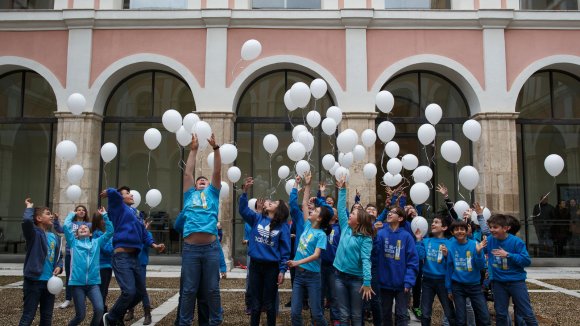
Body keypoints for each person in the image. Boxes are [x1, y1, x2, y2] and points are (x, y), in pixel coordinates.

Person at [100, 186, 165, 326]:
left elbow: (143, 233)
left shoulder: (136, 213)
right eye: (128, 193)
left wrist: (154, 245)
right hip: (121, 256)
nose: (132, 195)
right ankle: (110, 318)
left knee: (140, 293)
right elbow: (114, 196)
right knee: (129, 292)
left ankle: (117, 317)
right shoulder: (118, 208)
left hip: (135, 257)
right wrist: (110, 191)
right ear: (120, 198)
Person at [178, 133, 223, 326]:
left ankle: (215, 322)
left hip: (210, 249)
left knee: (212, 290)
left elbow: (217, 173)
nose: (202, 181)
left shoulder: (213, 193)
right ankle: (184, 323)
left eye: (205, 180)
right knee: (188, 290)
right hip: (191, 250)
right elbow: (188, 173)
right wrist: (193, 150)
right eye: (199, 180)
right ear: (195, 185)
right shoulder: (189, 196)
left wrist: (216, 149)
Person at [239, 176, 291, 326]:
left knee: (269, 304)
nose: (270, 202)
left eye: (274, 203)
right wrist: (244, 192)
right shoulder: (257, 219)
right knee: (255, 305)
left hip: (271, 269)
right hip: (255, 266)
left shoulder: (283, 227)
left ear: (279, 210)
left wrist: (282, 270)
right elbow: (243, 210)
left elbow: (285, 251)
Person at [477, 211, 539, 326]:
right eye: (490, 227)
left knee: (526, 313)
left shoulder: (516, 242)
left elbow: (526, 261)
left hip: (516, 282)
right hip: (498, 283)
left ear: (505, 228)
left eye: (495, 227)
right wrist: (478, 250)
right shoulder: (490, 240)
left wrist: (508, 255)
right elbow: (480, 257)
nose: (491, 230)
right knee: (500, 314)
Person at [288, 171, 332, 326]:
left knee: (317, 314)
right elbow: (305, 202)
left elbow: (316, 255)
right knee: (294, 313)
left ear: (319, 218)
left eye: (316, 211)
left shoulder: (320, 235)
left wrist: (296, 262)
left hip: (313, 276)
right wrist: (307, 184)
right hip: (299, 276)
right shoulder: (307, 224)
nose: (311, 210)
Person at [333, 176, 374, 325]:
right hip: (339, 276)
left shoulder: (366, 238)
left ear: (360, 220)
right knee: (343, 315)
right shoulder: (345, 227)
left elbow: (366, 260)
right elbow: (340, 209)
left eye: (353, 214)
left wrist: (367, 281)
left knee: (356, 315)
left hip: (356, 280)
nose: (350, 214)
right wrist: (342, 189)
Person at [64, 206, 113, 326]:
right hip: (77, 284)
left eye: (85, 227)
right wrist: (72, 214)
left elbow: (110, 231)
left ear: (90, 232)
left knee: (100, 309)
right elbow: (66, 226)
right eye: (80, 228)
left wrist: (105, 216)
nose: (83, 228)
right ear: (76, 234)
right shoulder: (73, 243)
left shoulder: (96, 243)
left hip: (93, 284)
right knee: (80, 316)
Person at [19, 198, 64, 326]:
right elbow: (27, 221)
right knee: (28, 316)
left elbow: (59, 257)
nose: (51, 216)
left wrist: (59, 267)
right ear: (38, 218)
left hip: (50, 283)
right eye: (47, 213)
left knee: (46, 318)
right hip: (34, 281)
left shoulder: (55, 237)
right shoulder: (34, 234)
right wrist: (29, 207)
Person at [375, 206, 419, 326]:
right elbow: (373, 254)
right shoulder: (380, 233)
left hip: (402, 284)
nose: (389, 214)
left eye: (393, 212)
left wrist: (409, 281)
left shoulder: (406, 236)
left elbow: (413, 261)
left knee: (402, 315)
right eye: (389, 212)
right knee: (385, 314)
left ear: (400, 218)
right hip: (384, 283)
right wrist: (373, 236)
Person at [446, 220, 490, 326]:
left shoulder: (475, 244)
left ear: (467, 231)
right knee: (460, 319)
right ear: (452, 232)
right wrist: (449, 289)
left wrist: (479, 253)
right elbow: (449, 268)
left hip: (474, 285)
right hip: (458, 286)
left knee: (484, 317)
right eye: (456, 229)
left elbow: (481, 266)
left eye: (462, 229)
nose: (459, 231)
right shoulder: (451, 246)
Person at [415, 214, 456, 326]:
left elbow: (453, 263)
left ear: (444, 227)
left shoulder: (450, 243)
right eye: (432, 222)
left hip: (443, 281)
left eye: (436, 222)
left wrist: (447, 255)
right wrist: (418, 241)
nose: (432, 224)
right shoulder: (426, 241)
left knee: (449, 312)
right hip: (427, 281)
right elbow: (420, 256)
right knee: (425, 313)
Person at [59, 205, 91, 309]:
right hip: (70, 253)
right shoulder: (71, 223)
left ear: (86, 213)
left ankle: (83, 298)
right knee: (69, 276)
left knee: (83, 275)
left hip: (83, 254)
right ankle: (68, 299)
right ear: (75, 212)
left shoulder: (89, 224)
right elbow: (60, 229)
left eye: (83, 210)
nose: (81, 212)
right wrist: (55, 221)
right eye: (79, 210)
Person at [124, 216, 153, 325]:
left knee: (141, 289)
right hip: (128, 263)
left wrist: (143, 232)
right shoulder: (130, 233)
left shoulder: (147, 234)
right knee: (128, 288)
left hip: (140, 264)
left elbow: (146, 244)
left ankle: (147, 314)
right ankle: (130, 310)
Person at [91, 210, 114, 319]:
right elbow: (108, 250)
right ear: (99, 221)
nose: (105, 221)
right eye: (104, 219)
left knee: (103, 292)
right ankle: (100, 317)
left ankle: (101, 315)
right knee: (102, 293)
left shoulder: (100, 234)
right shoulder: (98, 234)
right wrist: (114, 244)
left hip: (106, 266)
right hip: (102, 267)